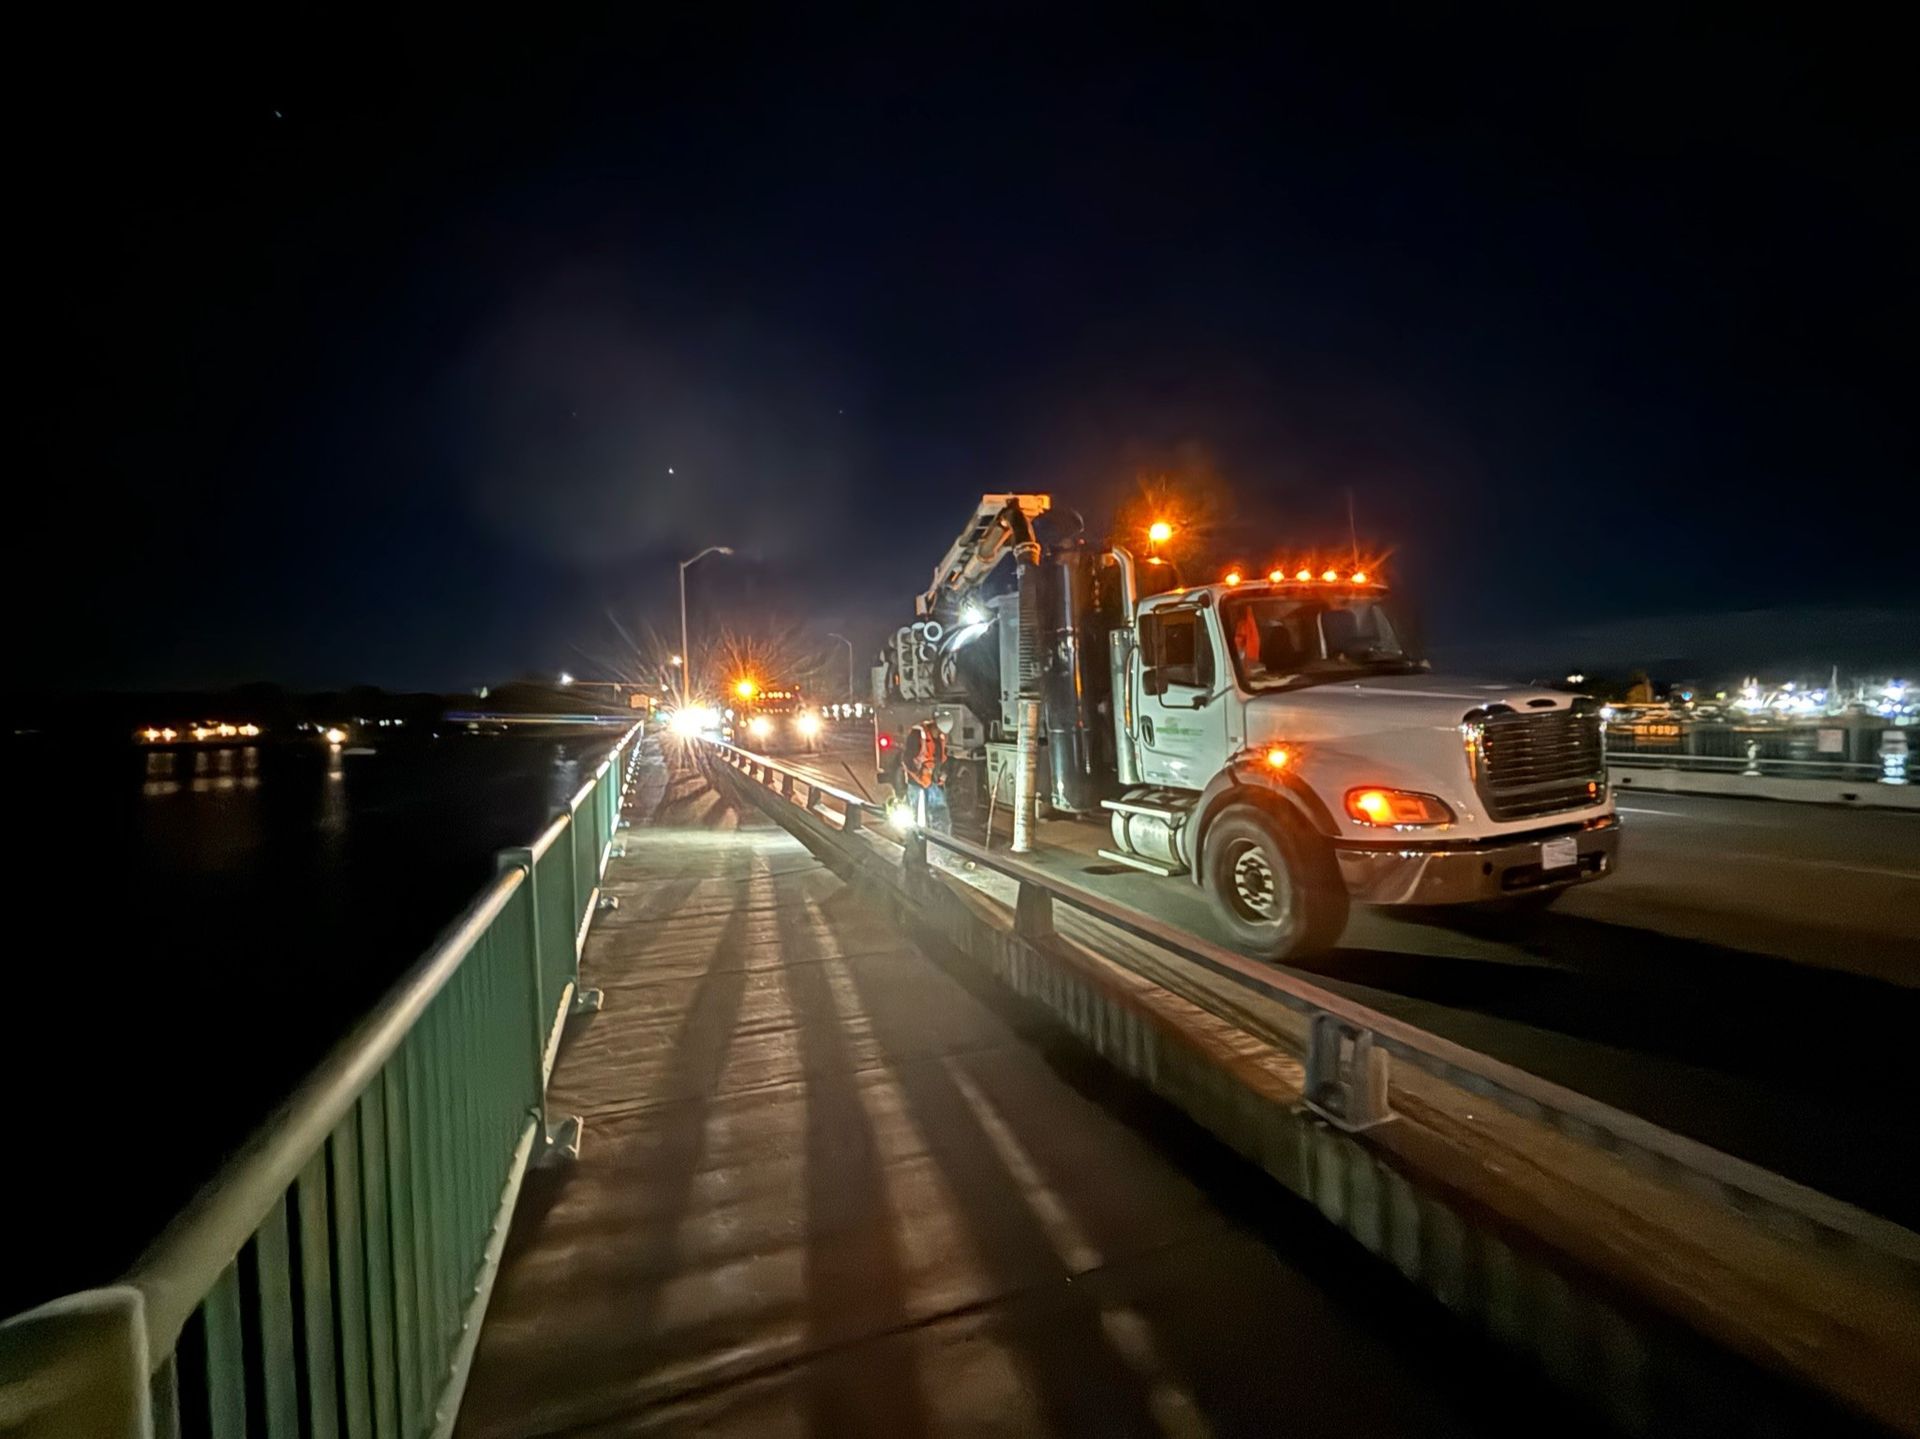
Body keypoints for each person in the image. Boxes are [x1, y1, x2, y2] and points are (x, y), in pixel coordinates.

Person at [902, 714, 952, 833]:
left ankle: (941, 842)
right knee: (912, 813)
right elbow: (907, 759)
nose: (939, 733)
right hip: (916, 781)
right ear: (934, 725)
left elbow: (943, 759)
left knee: (940, 813)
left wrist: (943, 773)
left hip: (932, 781)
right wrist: (918, 773)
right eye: (938, 730)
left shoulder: (941, 737)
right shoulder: (917, 735)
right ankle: (911, 839)